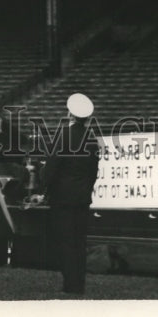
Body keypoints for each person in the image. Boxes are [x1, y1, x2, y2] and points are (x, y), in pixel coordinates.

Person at [40, 92, 100, 296]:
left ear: (70, 114)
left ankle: (70, 284)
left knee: (65, 241)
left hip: (63, 197)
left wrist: (43, 189)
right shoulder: (92, 140)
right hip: (82, 198)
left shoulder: (63, 135)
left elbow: (51, 168)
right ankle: (79, 285)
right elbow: (93, 173)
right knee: (79, 241)